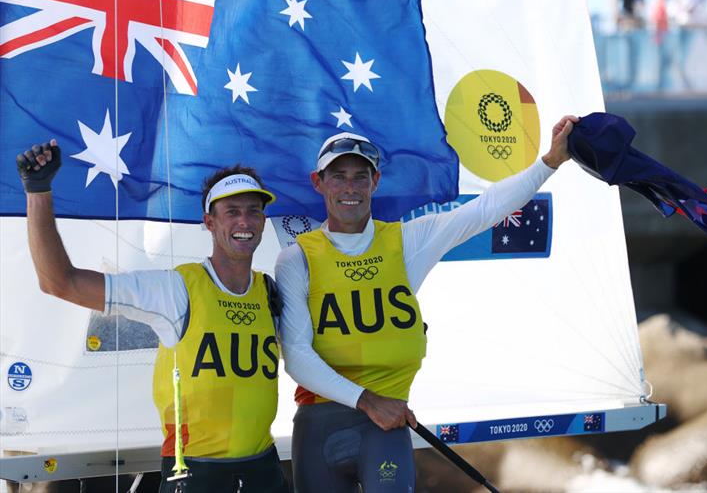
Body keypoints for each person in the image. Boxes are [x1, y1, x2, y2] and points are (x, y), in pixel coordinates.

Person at [276, 116, 578, 492]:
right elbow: (298, 357)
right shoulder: (296, 258)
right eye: (338, 176)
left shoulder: (407, 242)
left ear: (376, 182)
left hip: (385, 428)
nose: (349, 187)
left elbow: (484, 210)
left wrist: (549, 161)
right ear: (318, 183)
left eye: (360, 176)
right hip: (323, 424)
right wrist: (368, 402)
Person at [16, 140, 290, 493]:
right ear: (209, 222)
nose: (244, 221)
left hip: (261, 469)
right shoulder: (175, 289)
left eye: (254, 211)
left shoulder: (268, 292)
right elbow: (60, 282)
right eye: (232, 211)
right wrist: (38, 191)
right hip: (196, 473)